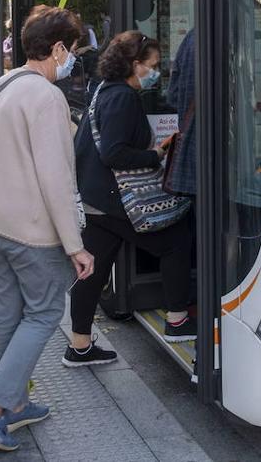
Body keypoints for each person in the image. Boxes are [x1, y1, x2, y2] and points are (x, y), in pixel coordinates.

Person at [0, 6, 95, 452]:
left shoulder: (4, 83)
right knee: (42, 315)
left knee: (9, 311)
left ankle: (15, 405)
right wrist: (75, 245)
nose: (73, 59)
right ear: (57, 48)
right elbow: (56, 178)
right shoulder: (46, 96)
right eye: (73, 50)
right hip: (28, 228)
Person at [65, 32, 195, 367]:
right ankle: (178, 319)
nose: (155, 72)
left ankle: (79, 346)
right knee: (176, 241)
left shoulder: (103, 90)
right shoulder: (123, 97)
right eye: (151, 65)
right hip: (117, 199)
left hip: (98, 196)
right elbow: (114, 152)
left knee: (91, 270)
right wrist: (154, 154)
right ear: (134, 64)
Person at [166, 28, 197, 197]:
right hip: (216, 157)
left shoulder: (190, 38)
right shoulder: (231, 32)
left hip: (189, 150)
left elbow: (173, 97)